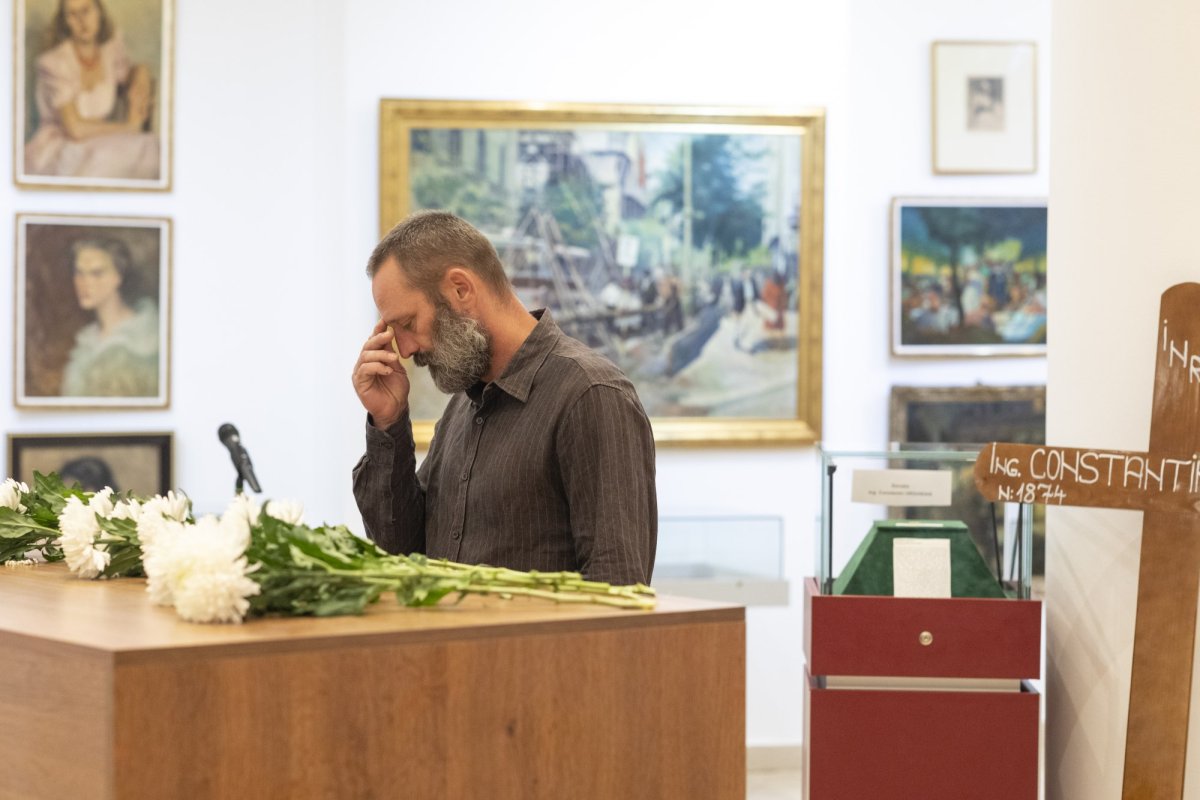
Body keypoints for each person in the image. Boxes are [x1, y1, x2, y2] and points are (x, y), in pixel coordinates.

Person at [351, 211, 657, 585]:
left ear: (460, 289)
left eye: (408, 324)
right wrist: (388, 422)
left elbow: (618, 590)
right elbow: (402, 559)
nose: (404, 349)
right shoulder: (462, 407)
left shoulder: (590, 395)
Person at [24, 0, 159, 179]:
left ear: (99, 12)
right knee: (108, 157)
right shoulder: (54, 63)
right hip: (61, 147)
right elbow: (76, 129)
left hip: (99, 141)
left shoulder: (110, 50)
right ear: (65, 21)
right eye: (73, 15)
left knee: (149, 147)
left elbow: (129, 75)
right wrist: (129, 127)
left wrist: (141, 71)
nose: (81, 21)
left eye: (86, 10)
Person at [61, 236, 159, 397]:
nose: (83, 283)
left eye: (96, 273)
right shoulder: (86, 343)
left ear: (118, 277)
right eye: (79, 273)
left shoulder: (146, 342)